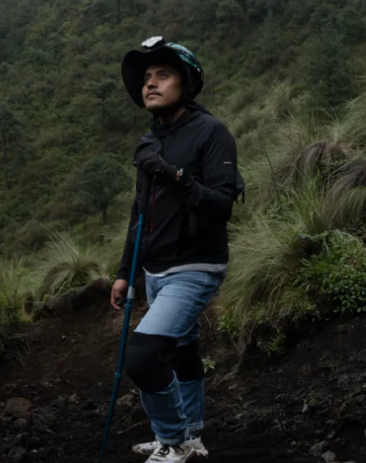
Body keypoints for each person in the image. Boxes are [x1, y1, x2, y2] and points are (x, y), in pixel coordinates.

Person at [111, 36, 241, 463]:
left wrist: (174, 175)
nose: (150, 83)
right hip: (155, 268)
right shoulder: (149, 142)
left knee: (142, 357)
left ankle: (174, 440)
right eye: (146, 78)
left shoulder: (211, 132)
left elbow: (221, 206)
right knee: (183, 350)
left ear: (186, 82)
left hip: (196, 264)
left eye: (162, 75)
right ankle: (192, 435)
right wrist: (126, 272)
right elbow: (140, 213)